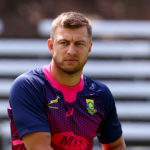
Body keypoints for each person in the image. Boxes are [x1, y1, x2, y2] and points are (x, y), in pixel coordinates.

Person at [8, 11, 126, 150]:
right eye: (64, 43)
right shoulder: (30, 86)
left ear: (89, 48)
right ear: (51, 46)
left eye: (79, 43)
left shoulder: (100, 94)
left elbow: (115, 145)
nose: (71, 51)